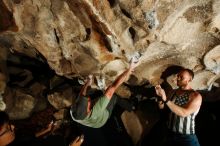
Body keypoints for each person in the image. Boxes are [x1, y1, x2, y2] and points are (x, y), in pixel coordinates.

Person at [70, 58, 138, 128]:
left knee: (94, 96)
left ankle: (101, 88)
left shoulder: (73, 110)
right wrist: (129, 70)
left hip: (87, 114)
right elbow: (112, 88)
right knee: (114, 97)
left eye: (82, 101)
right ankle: (131, 107)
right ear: (88, 111)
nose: (88, 100)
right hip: (100, 121)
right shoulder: (95, 112)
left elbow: (82, 95)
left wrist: (88, 82)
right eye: (88, 103)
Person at [155, 68, 202, 146]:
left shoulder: (195, 96)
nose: (178, 78)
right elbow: (162, 108)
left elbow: (184, 113)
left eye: (182, 77)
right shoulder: (173, 92)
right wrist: (160, 98)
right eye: (178, 76)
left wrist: (165, 99)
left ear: (189, 79)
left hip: (186, 137)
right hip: (170, 134)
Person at [0, 111, 83, 146]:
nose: (13, 126)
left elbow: (27, 140)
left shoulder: (12, 141)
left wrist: (45, 131)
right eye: (8, 128)